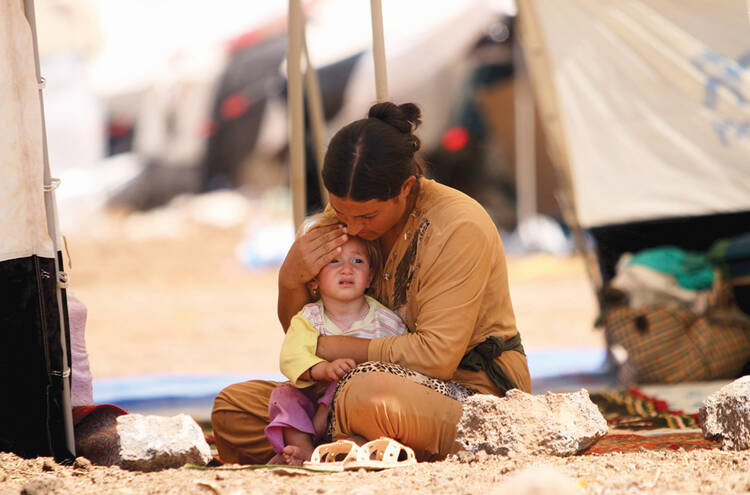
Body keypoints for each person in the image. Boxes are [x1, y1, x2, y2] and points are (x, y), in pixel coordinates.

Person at [212, 101, 531, 464]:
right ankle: (343, 445)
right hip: (345, 391)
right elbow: (307, 335)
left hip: (471, 395)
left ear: (406, 187)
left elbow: (436, 357)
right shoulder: (345, 220)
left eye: (367, 215)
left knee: (364, 395)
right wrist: (291, 280)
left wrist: (335, 349)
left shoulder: (457, 226)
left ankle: (339, 443)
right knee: (233, 408)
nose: (353, 227)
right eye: (340, 211)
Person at [265, 216, 406, 465]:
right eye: (334, 261)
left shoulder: (386, 321)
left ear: (371, 275)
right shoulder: (309, 318)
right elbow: (292, 356)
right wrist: (324, 369)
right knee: (283, 396)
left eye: (357, 261)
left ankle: (345, 449)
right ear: (314, 279)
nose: (347, 269)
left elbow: (402, 360)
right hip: (313, 403)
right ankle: (304, 450)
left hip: (355, 409)